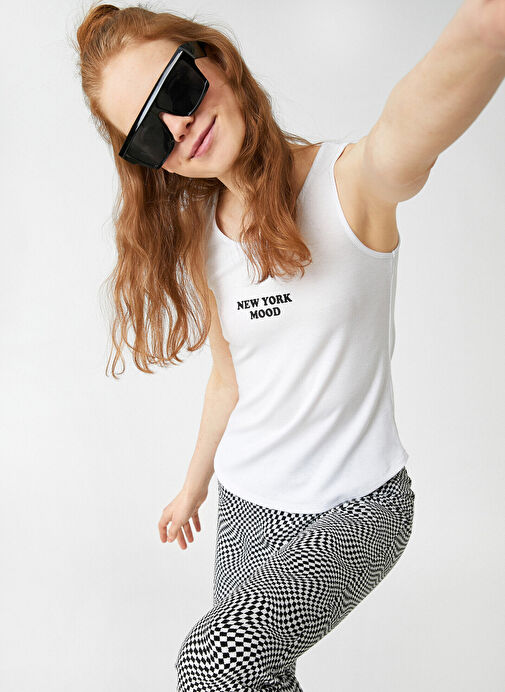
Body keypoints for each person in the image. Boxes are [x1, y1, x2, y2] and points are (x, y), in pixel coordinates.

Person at [73, 1, 505, 689]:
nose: (178, 126)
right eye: (149, 134)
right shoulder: (204, 239)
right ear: (151, 163)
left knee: (213, 662)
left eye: (177, 88)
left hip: (358, 506)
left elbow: (410, 123)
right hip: (247, 501)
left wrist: (488, 29)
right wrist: (193, 487)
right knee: (252, 677)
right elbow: (228, 379)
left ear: (217, 62)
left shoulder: (350, 184)